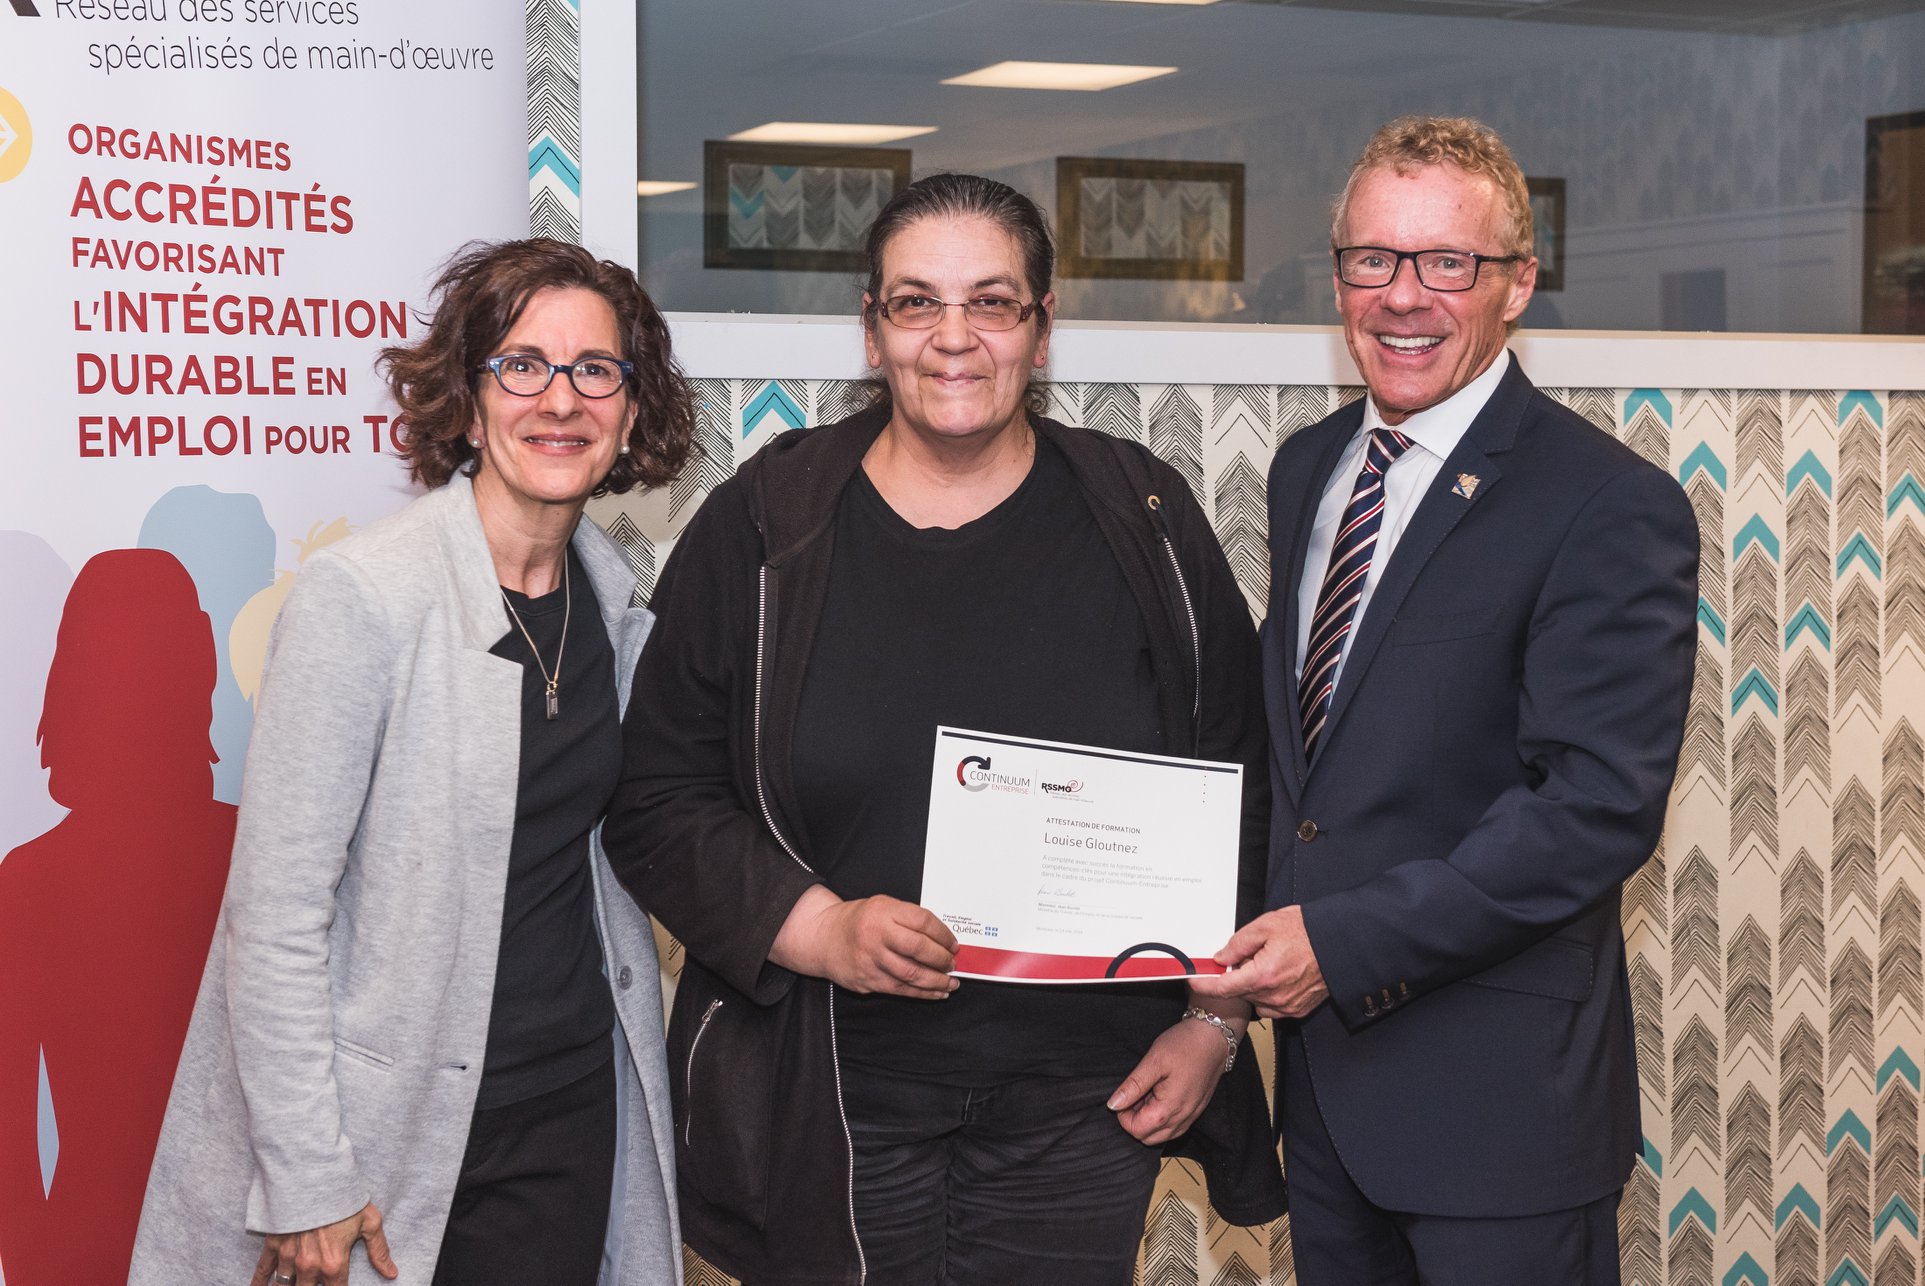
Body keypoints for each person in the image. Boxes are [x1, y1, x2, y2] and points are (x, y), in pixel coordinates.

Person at [604, 173, 1282, 1285]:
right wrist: (819, 928)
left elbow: (1239, 777)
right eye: (916, 302)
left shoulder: (1143, 517)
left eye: (991, 302)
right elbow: (656, 797)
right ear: (872, 331)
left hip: (1087, 1102)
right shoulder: (767, 526)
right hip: (828, 1096)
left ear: (1041, 329)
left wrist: (1212, 1018)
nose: (953, 337)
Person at [1190, 116, 1699, 1284]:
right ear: (1337, 278)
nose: (1401, 295)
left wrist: (1341, 942)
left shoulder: (1604, 503)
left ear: (1516, 284)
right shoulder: (1310, 466)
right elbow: (1304, 762)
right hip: (1326, 1102)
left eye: (1445, 263)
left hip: (1498, 1113)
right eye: (1371, 258)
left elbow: (1592, 807)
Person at [129, 238, 695, 1286]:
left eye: (594, 370)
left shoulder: (614, 602)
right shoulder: (364, 597)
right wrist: (306, 1173)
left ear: (628, 412)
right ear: (469, 407)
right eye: (521, 365)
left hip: (568, 1111)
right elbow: (275, 915)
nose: (559, 399)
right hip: (386, 1131)